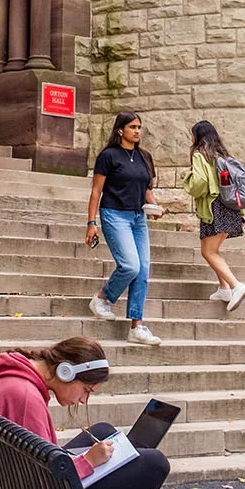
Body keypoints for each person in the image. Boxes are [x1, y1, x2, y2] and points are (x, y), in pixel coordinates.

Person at [0, 337, 169, 489]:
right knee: (155, 463)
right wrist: (88, 462)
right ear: (65, 372)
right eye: (86, 390)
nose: (84, 400)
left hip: (9, 484)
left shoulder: (14, 375)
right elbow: (43, 479)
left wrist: (79, 459)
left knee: (103, 430)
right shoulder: (26, 398)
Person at [85, 111, 163, 345]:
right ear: (121, 130)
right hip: (114, 214)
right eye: (133, 127)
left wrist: (155, 206)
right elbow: (96, 191)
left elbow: (145, 188)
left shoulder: (143, 157)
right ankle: (102, 298)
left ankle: (136, 327)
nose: (137, 131)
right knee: (130, 265)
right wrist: (91, 223)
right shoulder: (108, 156)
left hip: (138, 217)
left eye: (139, 127)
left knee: (143, 270)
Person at [183, 119, 245, 312]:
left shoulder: (199, 155)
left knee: (208, 252)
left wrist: (187, 177)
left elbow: (199, 184)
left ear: (197, 136)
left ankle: (236, 285)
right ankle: (224, 288)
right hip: (231, 207)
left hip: (213, 209)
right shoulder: (224, 155)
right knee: (214, 250)